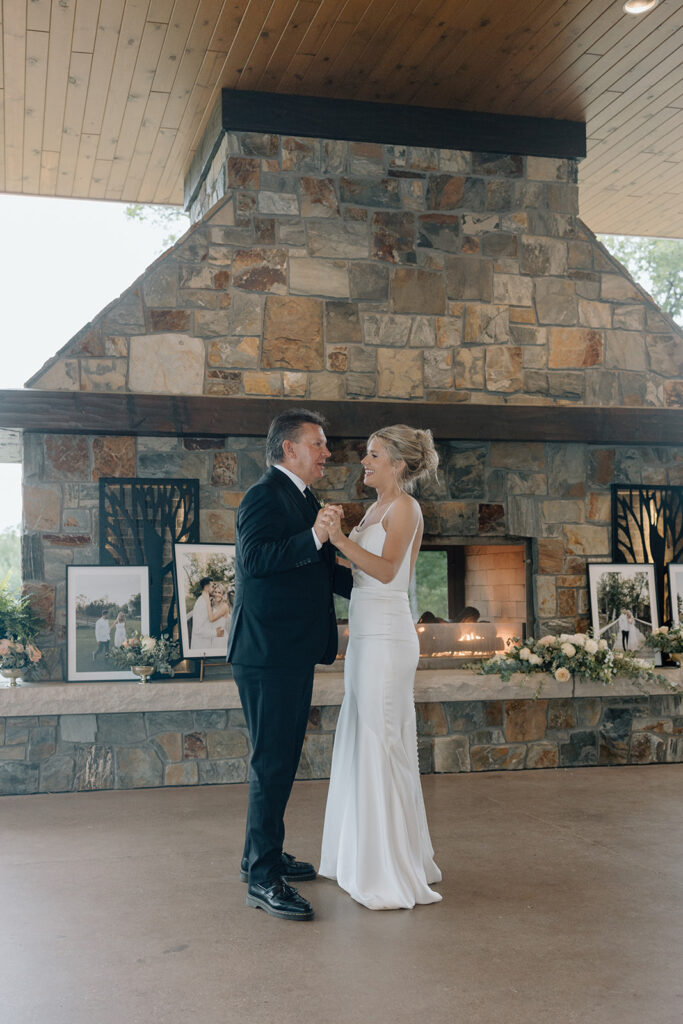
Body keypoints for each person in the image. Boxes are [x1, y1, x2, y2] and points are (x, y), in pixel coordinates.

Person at [227, 409, 352, 922]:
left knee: (279, 759)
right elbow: (255, 560)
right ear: (289, 449)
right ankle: (263, 879)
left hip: (290, 652)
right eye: (318, 444)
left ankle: (260, 854)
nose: (327, 453)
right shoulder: (263, 496)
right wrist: (317, 538)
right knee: (273, 762)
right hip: (267, 654)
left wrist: (378, 585)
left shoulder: (303, 498)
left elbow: (320, 572)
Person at [319, 425, 442, 910]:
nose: (363, 462)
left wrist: (337, 539)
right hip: (365, 635)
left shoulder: (406, 508)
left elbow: (389, 571)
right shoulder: (374, 508)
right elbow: (359, 569)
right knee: (362, 733)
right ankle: (363, 857)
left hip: (389, 637)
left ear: (397, 464)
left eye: (373, 455)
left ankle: (389, 869)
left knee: (382, 738)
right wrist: (331, 539)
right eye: (365, 454)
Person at [189, 578, 224, 650]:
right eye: (212, 586)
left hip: (208, 645)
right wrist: (215, 632)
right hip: (201, 647)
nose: (214, 589)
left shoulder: (207, 601)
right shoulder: (201, 604)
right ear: (206, 587)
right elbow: (197, 629)